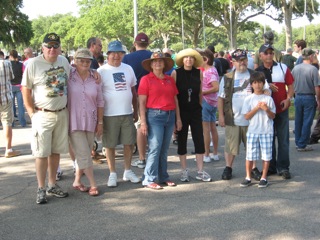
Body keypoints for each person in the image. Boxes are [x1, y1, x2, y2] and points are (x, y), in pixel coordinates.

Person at [21, 33, 70, 204]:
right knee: (41, 153)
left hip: (62, 112)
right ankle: (41, 188)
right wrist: (31, 112)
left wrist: (94, 74)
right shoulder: (34, 64)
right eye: (48, 46)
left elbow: (73, 79)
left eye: (55, 46)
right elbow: (25, 88)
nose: (52, 49)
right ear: (42, 48)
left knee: (55, 152)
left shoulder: (64, 61)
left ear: (59, 47)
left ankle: (52, 184)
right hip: (42, 114)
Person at [218, 49, 268, 181]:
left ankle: (253, 169)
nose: (243, 63)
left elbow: (266, 89)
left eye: (244, 60)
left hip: (252, 119)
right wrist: (221, 116)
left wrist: (264, 96)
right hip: (233, 117)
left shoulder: (255, 74)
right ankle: (228, 167)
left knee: (252, 146)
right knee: (230, 145)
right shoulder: (227, 77)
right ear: (233, 62)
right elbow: (221, 98)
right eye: (240, 61)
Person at [97, 40, 140, 187]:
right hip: (109, 115)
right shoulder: (101, 71)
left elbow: (133, 92)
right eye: (113, 53)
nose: (116, 56)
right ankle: (112, 173)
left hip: (127, 113)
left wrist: (136, 110)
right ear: (108, 54)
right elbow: (97, 96)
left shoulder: (128, 68)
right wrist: (99, 118)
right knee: (110, 145)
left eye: (119, 53)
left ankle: (127, 171)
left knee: (129, 143)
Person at [139, 52, 182, 190]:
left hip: (170, 115)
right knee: (155, 147)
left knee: (164, 148)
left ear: (164, 64)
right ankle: (148, 178)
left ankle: (163, 176)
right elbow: (142, 102)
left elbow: (175, 100)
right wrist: (143, 122)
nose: (158, 63)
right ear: (151, 65)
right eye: (155, 61)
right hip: (155, 115)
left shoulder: (169, 79)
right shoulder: (146, 79)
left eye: (160, 61)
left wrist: (178, 119)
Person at [171, 48, 211, 182]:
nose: (189, 60)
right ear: (182, 60)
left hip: (195, 110)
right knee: (182, 140)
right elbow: (175, 97)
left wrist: (199, 107)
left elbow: (200, 92)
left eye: (191, 58)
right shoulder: (176, 73)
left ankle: (200, 170)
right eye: (186, 57)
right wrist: (177, 117)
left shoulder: (199, 73)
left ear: (194, 60)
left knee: (199, 139)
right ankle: (184, 171)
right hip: (181, 111)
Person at [68, 48, 104, 196]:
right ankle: (93, 184)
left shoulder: (95, 78)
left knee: (85, 153)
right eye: (81, 60)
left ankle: (77, 180)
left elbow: (100, 101)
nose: (84, 63)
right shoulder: (68, 75)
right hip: (73, 121)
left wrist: (100, 123)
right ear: (75, 62)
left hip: (91, 120)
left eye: (87, 61)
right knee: (84, 154)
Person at [255, 44, 294, 179]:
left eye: (271, 53)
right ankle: (270, 167)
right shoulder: (257, 72)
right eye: (266, 53)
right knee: (268, 140)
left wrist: (289, 98)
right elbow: (254, 89)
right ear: (261, 56)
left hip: (281, 108)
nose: (269, 55)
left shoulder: (283, 68)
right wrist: (266, 85)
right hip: (265, 111)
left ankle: (283, 167)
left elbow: (290, 85)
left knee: (283, 140)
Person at [240, 71, 276, 188]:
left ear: (263, 83)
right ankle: (248, 177)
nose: (258, 85)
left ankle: (264, 177)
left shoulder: (268, 99)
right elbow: (246, 116)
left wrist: (266, 109)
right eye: (255, 82)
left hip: (266, 130)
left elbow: (273, 116)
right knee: (250, 155)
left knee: (266, 155)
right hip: (253, 131)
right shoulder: (249, 99)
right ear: (251, 84)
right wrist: (256, 108)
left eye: (260, 82)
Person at [122, 32, 153, 169]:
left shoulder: (127, 58)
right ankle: (153, 154)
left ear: (135, 44)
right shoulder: (153, 56)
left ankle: (142, 158)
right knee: (153, 125)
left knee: (141, 125)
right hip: (154, 93)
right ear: (148, 44)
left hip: (137, 93)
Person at [292, 48, 320, 152]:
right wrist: (318, 99)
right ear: (311, 56)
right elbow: (317, 87)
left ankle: (298, 141)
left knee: (298, 120)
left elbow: (292, 83)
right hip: (309, 96)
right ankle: (302, 144)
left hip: (298, 96)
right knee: (307, 121)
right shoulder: (313, 69)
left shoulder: (296, 68)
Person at [199, 49, 219, 163]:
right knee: (212, 128)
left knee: (206, 129)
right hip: (212, 102)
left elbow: (216, 87)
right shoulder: (213, 70)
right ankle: (214, 153)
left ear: (205, 60)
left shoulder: (209, 72)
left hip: (206, 102)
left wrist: (202, 93)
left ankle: (206, 154)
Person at [0, 51, 21, 158]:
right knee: (7, 123)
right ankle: (8, 149)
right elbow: (11, 77)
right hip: (5, 97)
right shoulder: (6, 63)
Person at [9, 50, 26, 127]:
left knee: (11, 106)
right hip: (19, 86)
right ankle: (22, 122)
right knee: (20, 105)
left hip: (10, 86)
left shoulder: (8, 64)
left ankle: (12, 123)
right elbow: (24, 75)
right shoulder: (21, 64)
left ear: (10, 56)